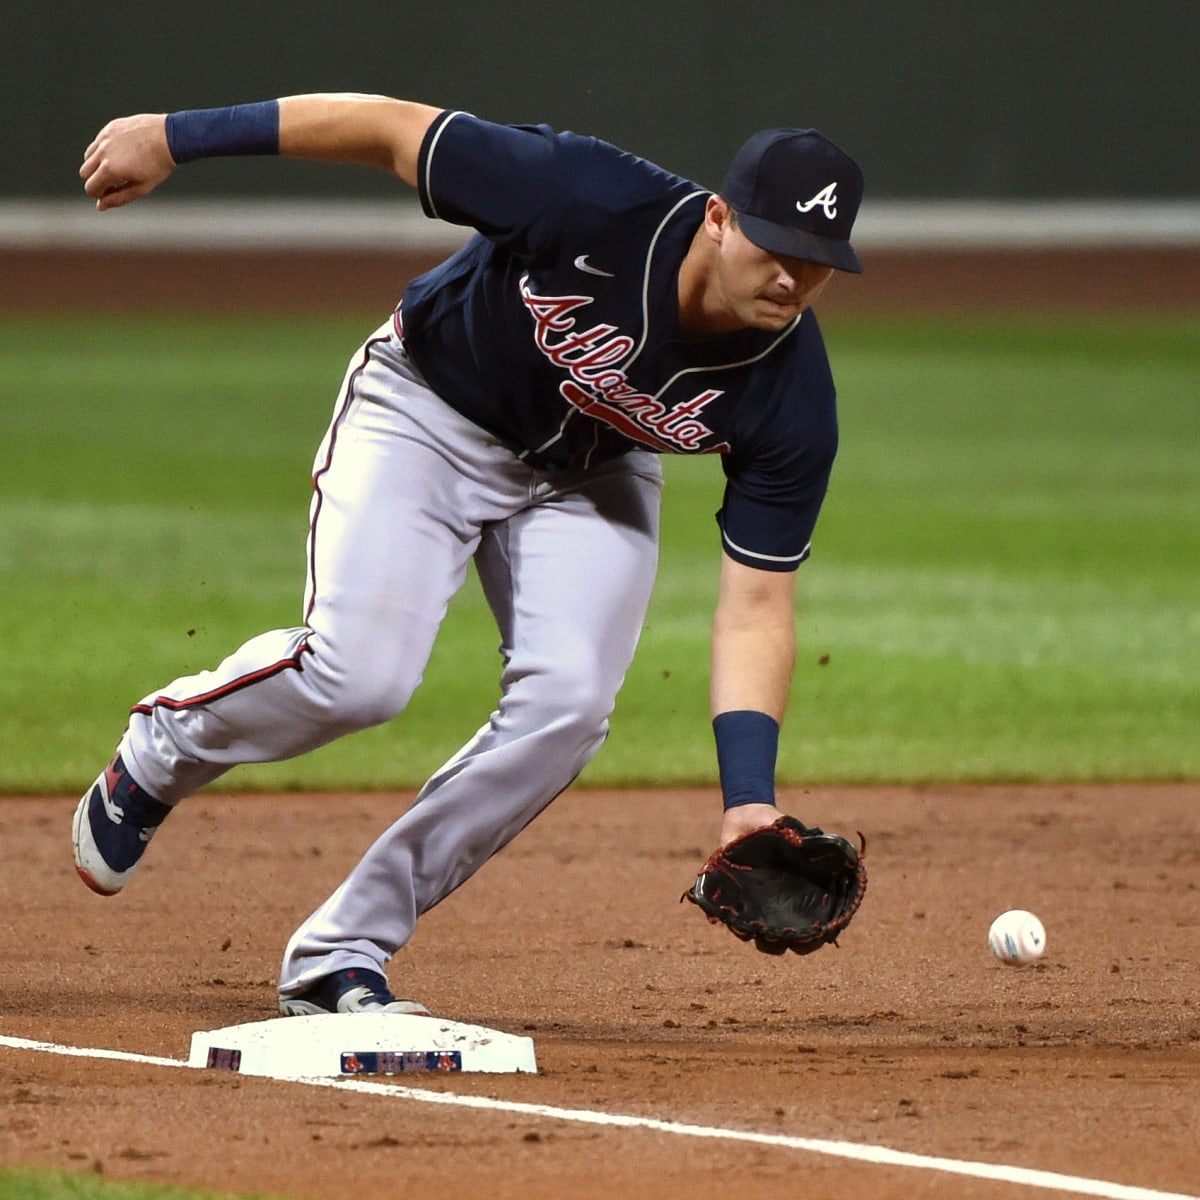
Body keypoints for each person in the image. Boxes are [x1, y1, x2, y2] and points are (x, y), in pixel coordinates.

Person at [74, 93, 864, 1017]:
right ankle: (163, 750)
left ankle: (343, 952)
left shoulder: (794, 400)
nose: (791, 282)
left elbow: (756, 606)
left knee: (569, 707)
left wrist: (749, 800)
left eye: (817, 265)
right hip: (427, 412)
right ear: (719, 218)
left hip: (590, 473)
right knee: (359, 678)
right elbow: (388, 128)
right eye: (774, 248)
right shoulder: (586, 195)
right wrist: (173, 138)